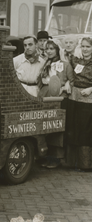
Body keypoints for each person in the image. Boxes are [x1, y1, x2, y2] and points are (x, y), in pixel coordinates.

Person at [37, 40, 74, 169]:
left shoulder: (65, 64)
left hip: (59, 98)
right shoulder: (45, 64)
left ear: (57, 50)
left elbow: (72, 80)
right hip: (45, 96)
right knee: (46, 125)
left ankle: (56, 158)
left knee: (57, 127)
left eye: (52, 48)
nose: (49, 51)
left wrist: (65, 87)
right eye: (47, 49)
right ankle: (46, 155)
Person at [65, 37, 92, 171]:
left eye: (88, 46)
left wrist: (91, 88)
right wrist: (67, 83)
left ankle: (85, 164)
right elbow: (67, 72)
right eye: (83, 46)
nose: (85, 49)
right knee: (72, 127)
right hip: (74, 96)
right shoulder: (75, 59)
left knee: (85, 129)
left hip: (88, 98)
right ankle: (70, 162)